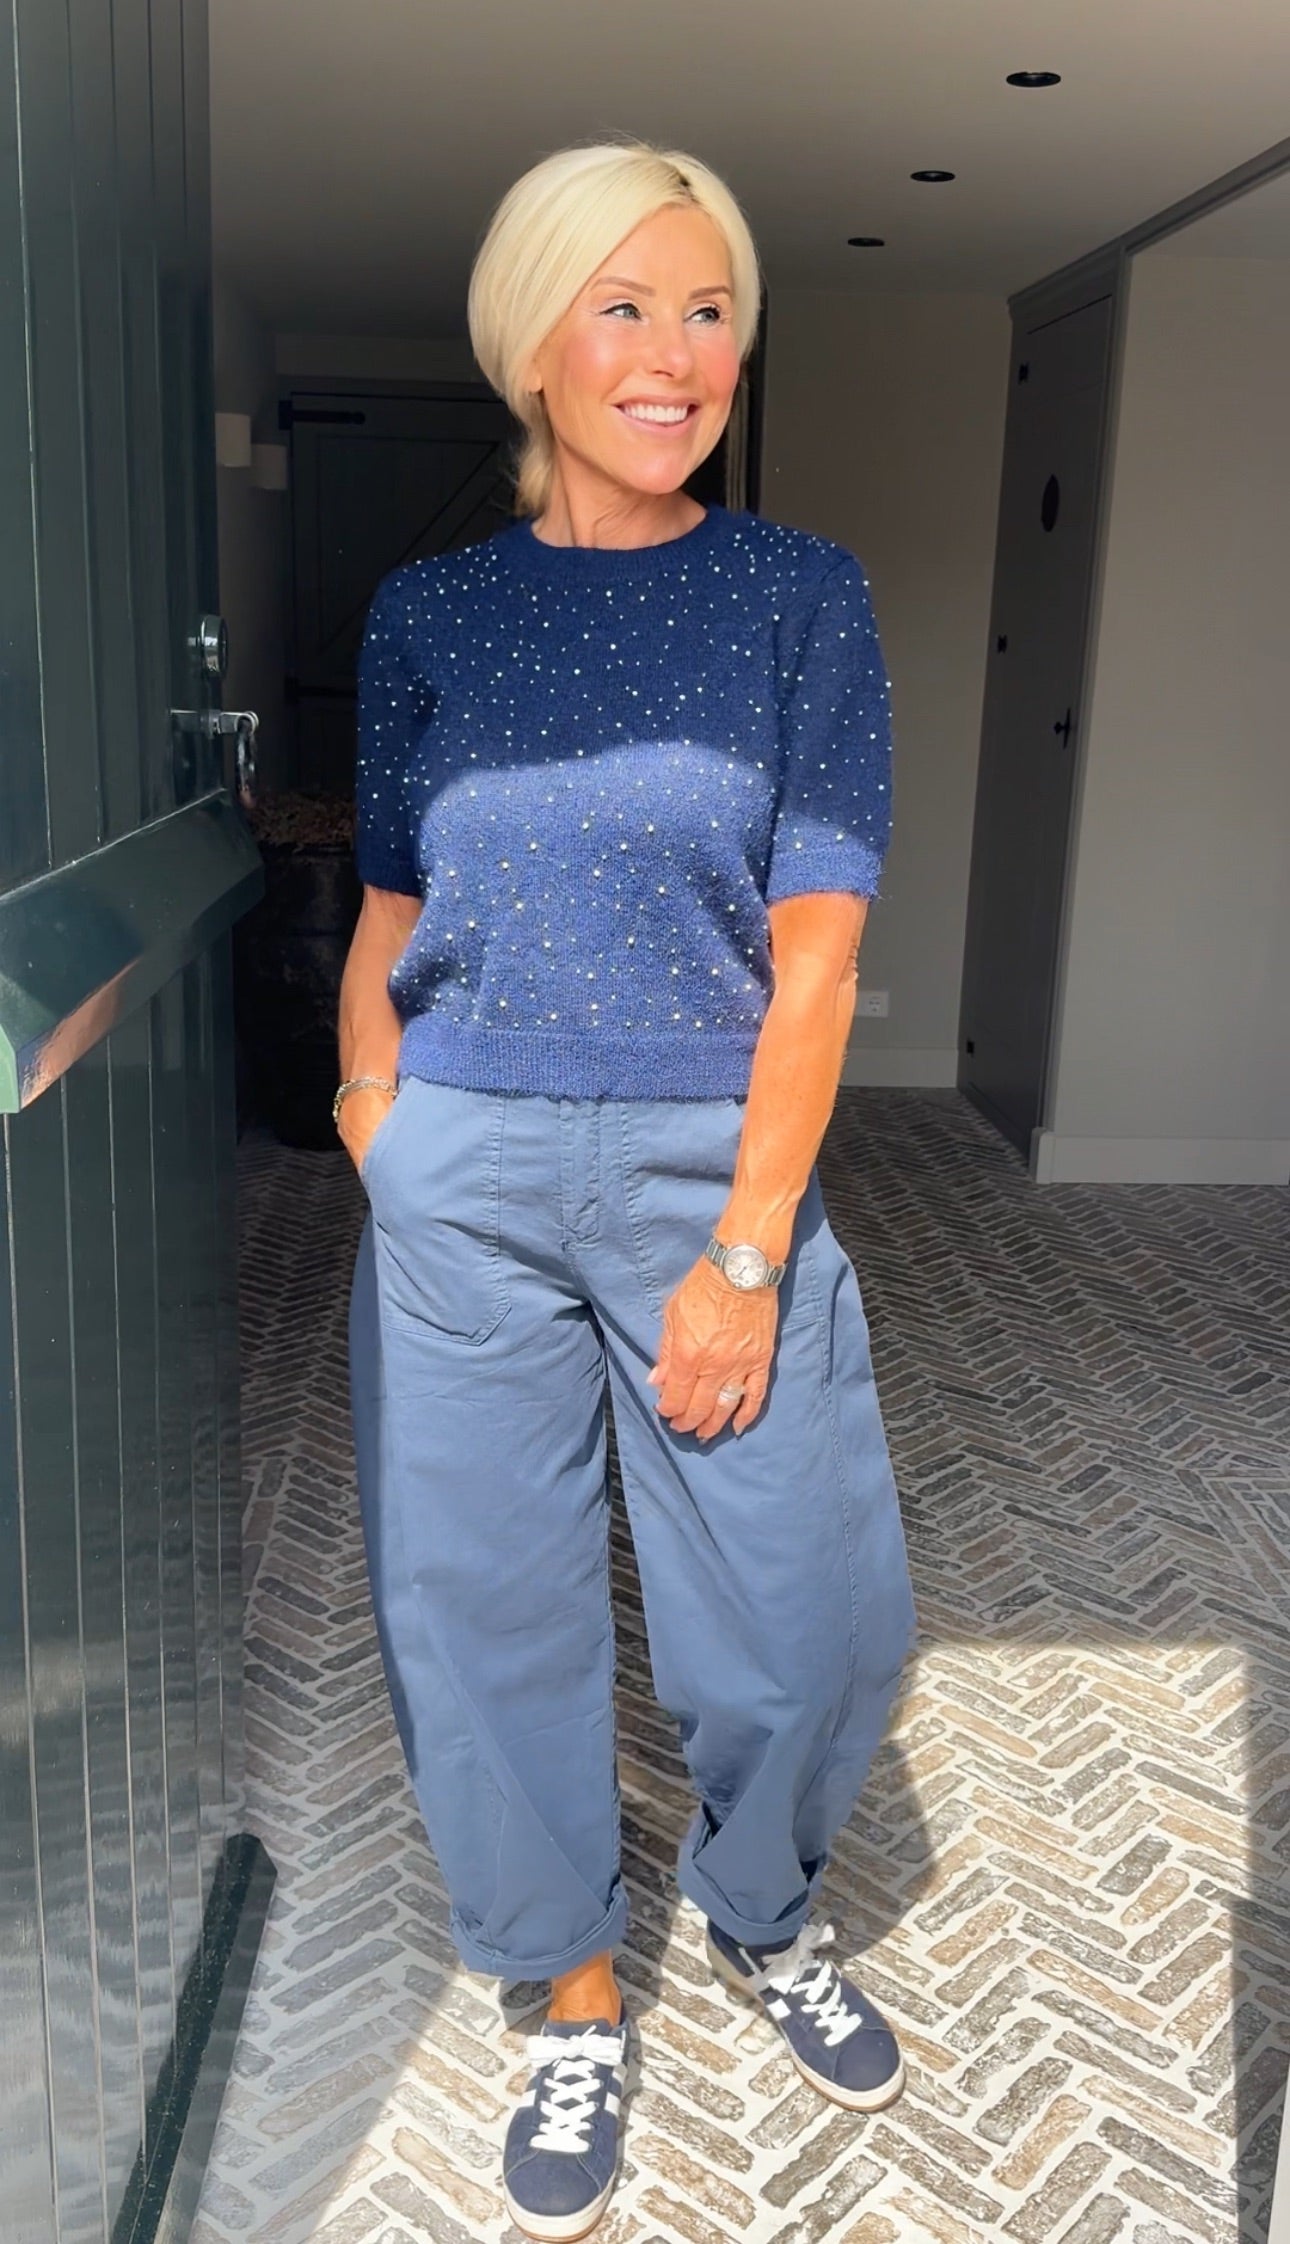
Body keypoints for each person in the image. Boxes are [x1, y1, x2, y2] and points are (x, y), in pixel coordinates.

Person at [341, 139, 917, 2243]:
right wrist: (373, 1109)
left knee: (808, 1616)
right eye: (623, 306)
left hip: (711, 1168)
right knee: (479, 1607)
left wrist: (747, 1251)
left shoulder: (798, 594)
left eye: (707, 311)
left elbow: (818, 958)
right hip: (466, 1167)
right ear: (532, 343)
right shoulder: (429, 611)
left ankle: (758, 1905)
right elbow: (391, 897)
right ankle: (570, 1988)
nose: (674, 354)